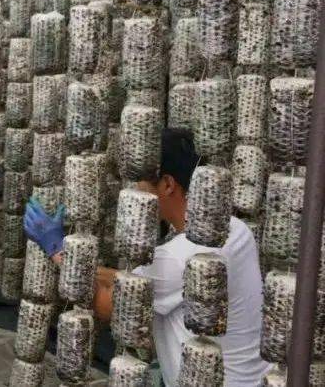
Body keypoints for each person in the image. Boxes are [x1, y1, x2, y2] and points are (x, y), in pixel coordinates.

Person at [25, 128, 271, 386]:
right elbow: (133, 280)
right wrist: (78, 257)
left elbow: (106, 304)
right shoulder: (235, 228)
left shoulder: (180, 258)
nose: (137, 192)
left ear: (167, 185)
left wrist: (55, 251)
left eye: (141, 183)